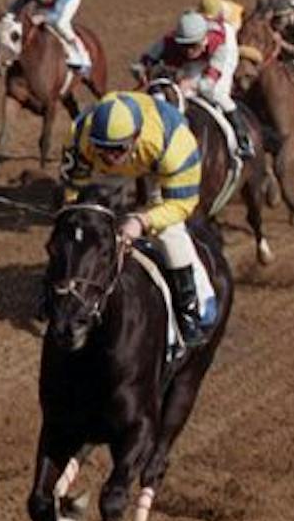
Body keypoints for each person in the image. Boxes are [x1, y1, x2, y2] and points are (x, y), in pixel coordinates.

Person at [65, 91, 217, 352]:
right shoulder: (80, 134)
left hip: (158, 165)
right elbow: (73, 188)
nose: (110, 155)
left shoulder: (177, 145)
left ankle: (188, 308)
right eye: (102, 148)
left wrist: (141, 221)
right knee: (81, 227)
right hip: (112, 174)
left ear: (135, 137)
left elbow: (182, 205)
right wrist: (74, 213)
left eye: (117, 149)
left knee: (169, 232)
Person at [138, 9, 250, 167]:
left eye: (193, 46)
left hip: (218, 55)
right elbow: (143, 61)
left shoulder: (220, 43)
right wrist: (142, 70)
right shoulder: (169, 41)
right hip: (199, 54)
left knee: (216, 93)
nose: (189, 51)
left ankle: (243, 138)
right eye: (184, 46)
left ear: (203, 40)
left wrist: (191, 84)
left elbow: (209, 82)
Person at [5, 0, 88, 72]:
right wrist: (9, 15)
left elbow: (57, 14)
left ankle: (82, 56)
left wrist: (43, 17)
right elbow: (19, 3)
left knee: (61, 24)